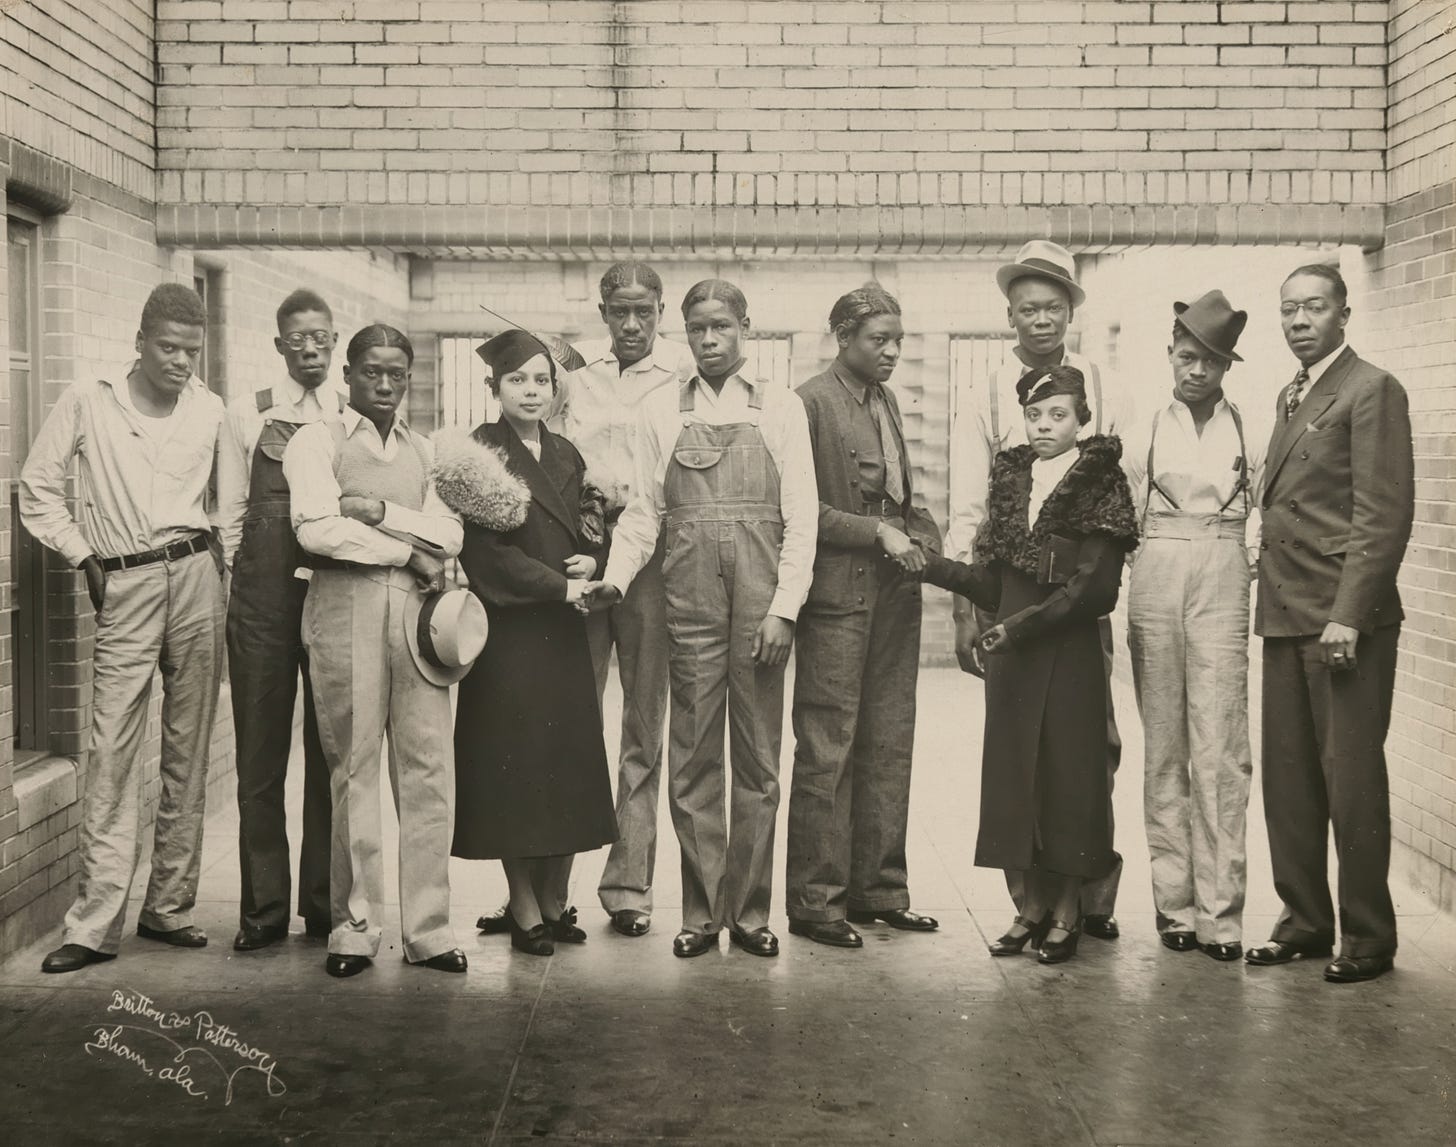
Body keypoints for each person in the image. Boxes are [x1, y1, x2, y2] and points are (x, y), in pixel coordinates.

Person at [589, 279, 817, 959]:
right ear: (684, 333)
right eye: (697, 329)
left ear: (746, 327)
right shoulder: (662, 408)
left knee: (758, 759)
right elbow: (643, 515)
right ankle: (699, 913)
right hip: (687, 598)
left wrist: (784, 610)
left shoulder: (779, 406)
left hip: (759, 600)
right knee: (690, 758)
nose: (710, 340)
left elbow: (802, 517)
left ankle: (750, 914)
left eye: (722, 326)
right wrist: (615, 577)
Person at [475, 263, 691, 942]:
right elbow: (554, 472)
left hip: (653, 559)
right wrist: (586, 558)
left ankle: (628, 888)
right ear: (603, 310)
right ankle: (546, 895)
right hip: (585, 564)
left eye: (645, 312)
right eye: (620, 311)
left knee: (643, 729)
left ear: (661, 312)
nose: (632, 324)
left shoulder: (682, 377)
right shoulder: (576, 382)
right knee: (563, 719)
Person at [21, 283, 226, 973]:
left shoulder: (211, 408)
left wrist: (218, 560)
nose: (181, 364)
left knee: (187, 747)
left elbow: (233, 502)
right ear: (139, 341)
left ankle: (169, 906)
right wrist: (83, 554)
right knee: (112, 749)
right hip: (125, 577)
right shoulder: (88, 398)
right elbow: (36, 486)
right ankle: (94, 924)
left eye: (192, 352)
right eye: (169, 348)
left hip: (195, 574)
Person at [944, 239, 1135, 941]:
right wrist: (968, 610)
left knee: (1091, 745)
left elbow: (1112, 485)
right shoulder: (985, 393)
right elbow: (970, 507)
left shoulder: (1103, 383)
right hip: (1012, 598)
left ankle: (1088, 898)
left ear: (1071, 311)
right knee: (1017, 749)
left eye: (1054, 306)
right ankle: (1028, 899)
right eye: (1028, 308)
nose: (1041, 319)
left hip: (1077, 597)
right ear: (1010, 315)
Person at [283, 323, 467, 979]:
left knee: (428, 771)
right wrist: (404, 549)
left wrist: (379, 512)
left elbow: (450, 533)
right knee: (354, 771)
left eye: (397, 372)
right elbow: (316, 525)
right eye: (371, 372)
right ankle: (355, 929)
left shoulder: (426, 449)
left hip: (419, 618)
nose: (385, 384)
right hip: (345, 608)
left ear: (408, 377)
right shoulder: (316, 441)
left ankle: (429, 929)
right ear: (348, 374)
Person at [1246, 264, 1413, 984]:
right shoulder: (1293, 394)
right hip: (1286, 613)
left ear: (1345, 313)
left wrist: (1348, 615)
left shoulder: (1371, 388)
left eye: (1315, 307)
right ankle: (1306, 920)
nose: (1300, 320)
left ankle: (1369, 936)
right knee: (1290, 782)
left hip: (1343, 622)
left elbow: (1384, 514)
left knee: (1350, 783)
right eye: (1289, 310)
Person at [441, 329, 618, 957]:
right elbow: (486, 556)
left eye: (542, 379)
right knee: (514, 768)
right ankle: (521, 904)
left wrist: (590, 561)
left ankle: (552, 900)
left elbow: (596, 523)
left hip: (565, 632)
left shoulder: (567, 453)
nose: (532, 391)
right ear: (495, 389)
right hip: (510, 632)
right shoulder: (477, 453)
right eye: (518, 380)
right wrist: (556, 586)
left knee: (564, 763)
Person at [785, 284, 943, 949]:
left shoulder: (884, 400)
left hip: (894, 598)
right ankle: (815, 901)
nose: (893, 352)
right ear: (842, 336)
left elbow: (904, 499)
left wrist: (925, 538)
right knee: (830, 742)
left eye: (898, 341)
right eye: (880, 339)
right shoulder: (809, 403)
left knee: (888, 739)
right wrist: (876, 533)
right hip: (839, 596)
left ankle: (878, 890)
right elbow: (801, 511)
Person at [1121, 291, 1263, 963]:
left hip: (1223, 560)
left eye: (1209, 360)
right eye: (1186, 356)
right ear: (1170, 354)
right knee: (1165, 743)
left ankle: (1221, 913)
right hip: (1157, 561)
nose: (1196, 370)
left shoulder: (1247, 425)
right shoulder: (1146, 424)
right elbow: (1121, 504)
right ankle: (1173, 904)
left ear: (1225, 365)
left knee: (1221, 741)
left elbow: (1266, 504)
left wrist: (1247, 556)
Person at [218, 288, 345, 951]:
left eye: (322, 336)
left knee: (330, 754)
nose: (312, 347)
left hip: (331, 594)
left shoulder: (348, 413)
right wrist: (236, 600)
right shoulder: (248, 412)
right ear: (279, 345)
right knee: (260, 760)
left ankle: (324, 908)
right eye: (299, 338)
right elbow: (230, 514)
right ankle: (263, 913)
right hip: (263, 601)